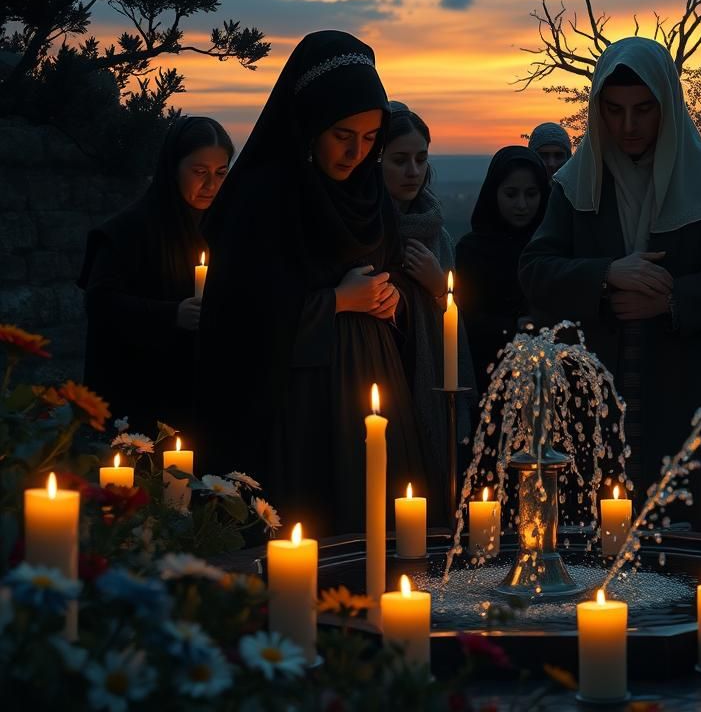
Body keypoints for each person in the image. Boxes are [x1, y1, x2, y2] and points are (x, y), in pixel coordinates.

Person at [199, 31, 439, 536]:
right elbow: (238, 315)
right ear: (310, 123)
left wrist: (391, 298)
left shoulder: (369, 195)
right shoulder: (263, 200)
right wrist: (334, 302)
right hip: (298, 400)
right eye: (342, 135)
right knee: (312, 523)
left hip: (374, 382)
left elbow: (390, 268)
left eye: (370, 139)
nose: (356, 153)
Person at [519, 38, 701, 521]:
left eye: (643, 110)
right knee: (596, 539)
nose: (628, 126)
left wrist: (672, 299)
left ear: (667, 107)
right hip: (595, 400)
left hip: (685, 391)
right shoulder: (575, 184)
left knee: (687, 538)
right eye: (614, 110)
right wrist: (606, 274)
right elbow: (534, 269)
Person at [79, 116, 233, 434]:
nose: (211, 185)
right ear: (173, 168)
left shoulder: (227, 229)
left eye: (221, 173)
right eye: (199, 172)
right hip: (141, 397)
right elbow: (100, 302)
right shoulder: (129, 230)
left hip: (204, 397)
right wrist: (172, 314)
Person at [381, 102, 475, 505]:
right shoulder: (366, 229)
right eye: (400, 160)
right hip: (384, 369)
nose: (413, 171)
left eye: (421, 159)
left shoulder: (437, 234)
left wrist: (439, 287)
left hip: (430, 377)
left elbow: (455, 324)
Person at [456, 146, 549, 395]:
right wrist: (514, 326)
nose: (522, 204)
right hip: (489, 379)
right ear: (493, 193)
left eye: (531, 194)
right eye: (511, 194)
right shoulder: (473, 249)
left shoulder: (551, 246)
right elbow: (466, 318)